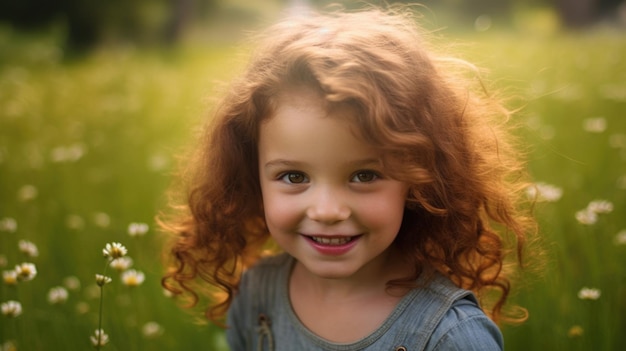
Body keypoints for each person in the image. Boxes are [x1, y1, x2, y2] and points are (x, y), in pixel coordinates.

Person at [161, 5, 536, 351]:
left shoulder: (449, 335)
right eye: (294, 176)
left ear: (419, 179)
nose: (326, 210)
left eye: (364, 175)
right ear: (249, 175)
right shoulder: (257, 294)